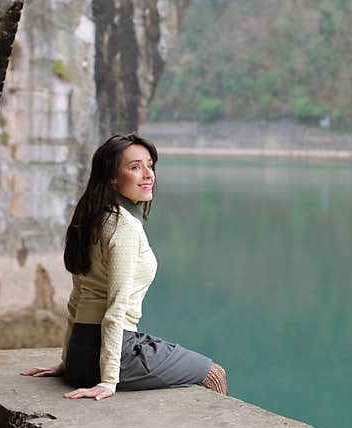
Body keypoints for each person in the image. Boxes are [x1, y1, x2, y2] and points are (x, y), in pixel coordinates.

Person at [21, 133, 227, 400]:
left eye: (150, 166)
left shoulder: (92, 218)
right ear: (112, 178)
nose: (148, 174)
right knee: (214, 374)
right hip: (116, 354)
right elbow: (116, 308)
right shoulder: (124, 227)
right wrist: (108, 380)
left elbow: (77, 299)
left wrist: (69, 361)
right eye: (135, 167)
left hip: (82, 353)